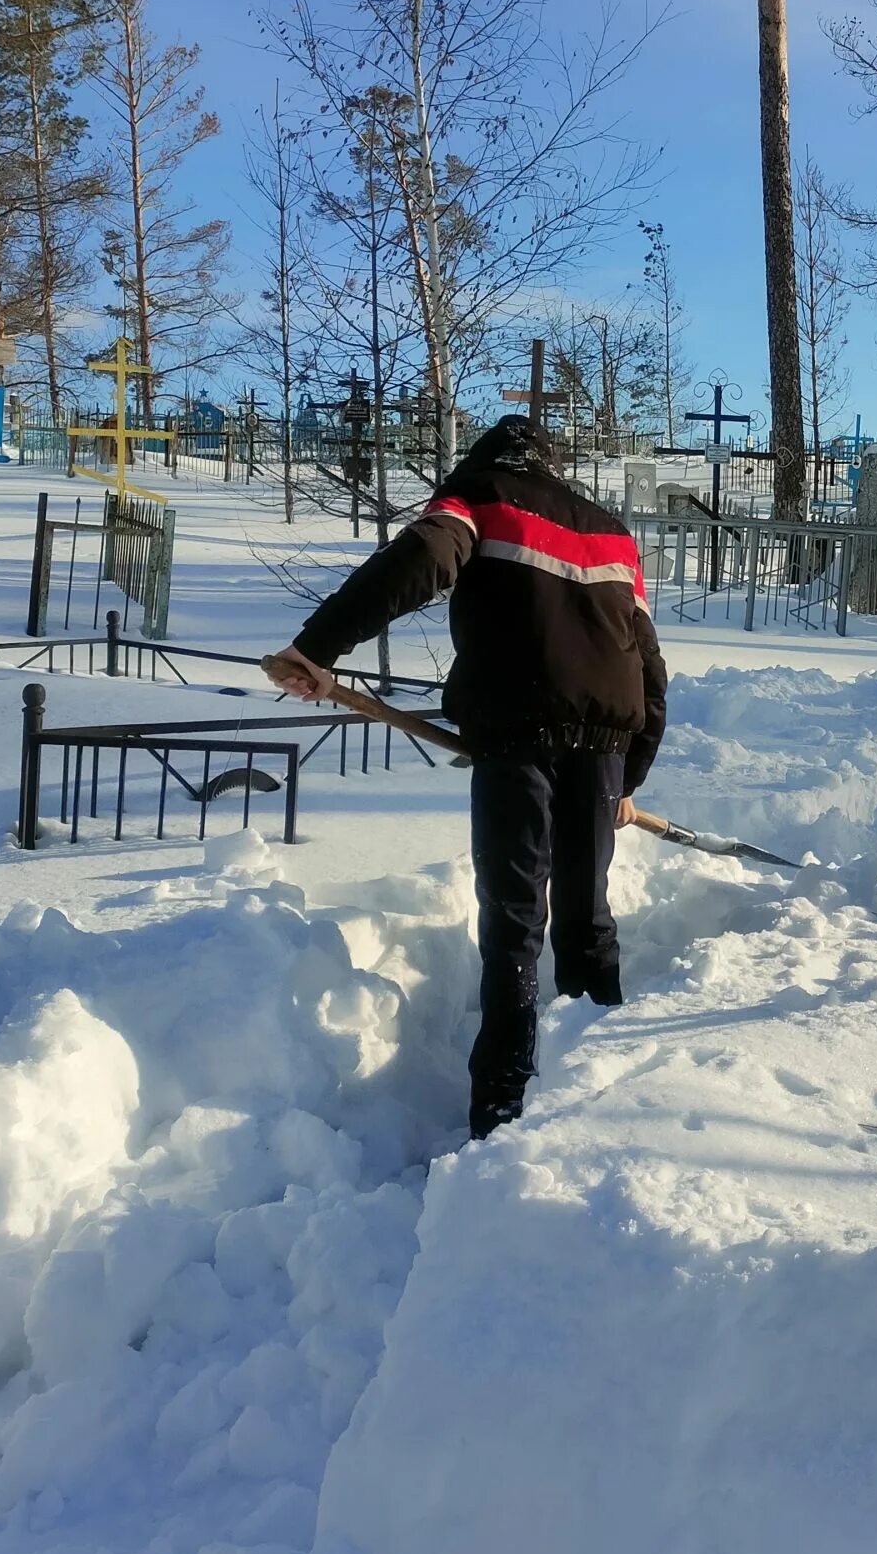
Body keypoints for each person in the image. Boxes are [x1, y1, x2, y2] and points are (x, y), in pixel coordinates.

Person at [263, 416, 668, 1139]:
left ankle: (503, 1110)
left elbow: (415, 565)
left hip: (519, 732)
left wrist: (317, 647)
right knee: (586, 912)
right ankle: (594, 1084)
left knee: (514, 921)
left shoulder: (480, 495)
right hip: (606, 740)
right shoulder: (610, 532)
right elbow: (649, 665)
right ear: (551, 465)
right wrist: (629, 774)